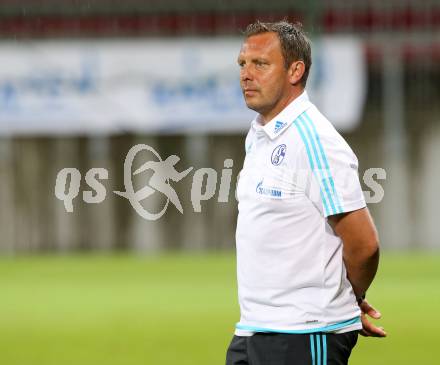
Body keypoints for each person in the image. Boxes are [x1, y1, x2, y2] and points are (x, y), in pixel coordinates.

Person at [226, 20, 386, 365]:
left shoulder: (315, 141)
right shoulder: (259, 135)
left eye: (260, 64)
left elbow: (364, 244)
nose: (246, 74)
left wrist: (350, 297)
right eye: (243, 63)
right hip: (253, 330)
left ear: (295, 71)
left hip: (304, 335)